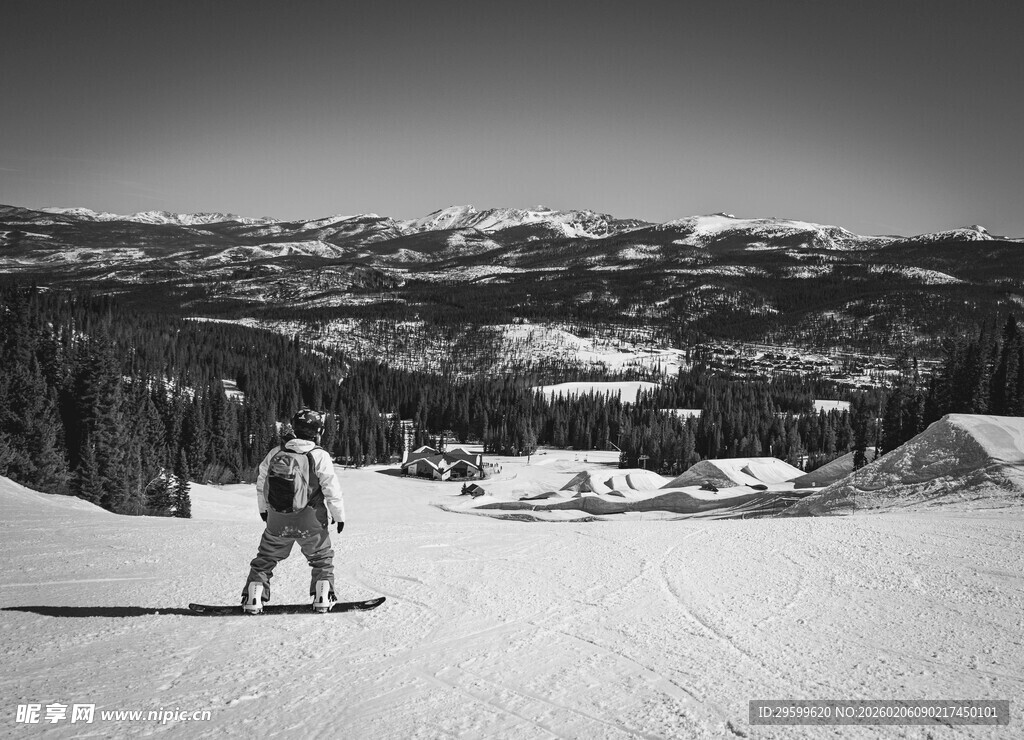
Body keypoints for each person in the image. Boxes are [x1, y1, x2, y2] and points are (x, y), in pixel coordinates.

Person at [241, 408, 346, 613]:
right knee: (321, 558)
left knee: (266, 558)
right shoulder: (319, 455)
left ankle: (254, 595)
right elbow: (331, 488)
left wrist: (264, 510)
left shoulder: (276, 452)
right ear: (318, 431)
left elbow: (262, 483)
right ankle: (323, 596)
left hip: (277, 519)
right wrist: (339, 516)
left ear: (294, 428)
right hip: (311, 520)